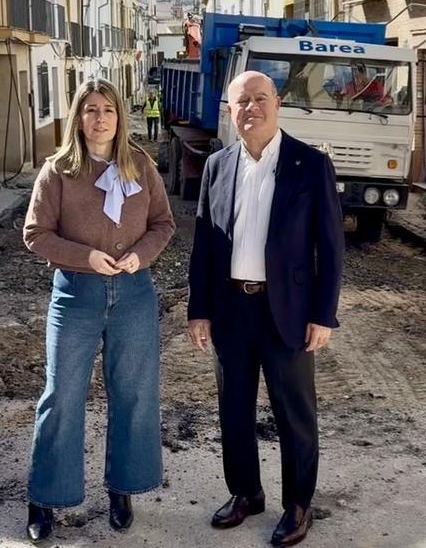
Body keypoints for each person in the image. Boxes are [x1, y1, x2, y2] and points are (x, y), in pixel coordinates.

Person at [186, 70, 344, 547]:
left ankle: (298, 504)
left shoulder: (309, 164)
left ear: (277, 103)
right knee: (233, 410)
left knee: (294, 412)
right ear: (229, 110)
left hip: (289, 312)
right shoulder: (218, 165)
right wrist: (198, 309)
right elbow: (204, 246)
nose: (250, 108)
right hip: (232, 308)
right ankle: (246, 493)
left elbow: (332, 248)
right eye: (241, 102)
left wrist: (324, 314)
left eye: (260, 99)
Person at [22, 78, 176, 542]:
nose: (100, 118)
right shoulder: (57, 172)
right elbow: (35, 233)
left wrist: (140, 255)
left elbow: (163, 224)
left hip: (133, 296)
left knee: (133, 394)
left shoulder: (141, 166)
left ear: (119, 116)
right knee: (61, 396)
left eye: (108, 109)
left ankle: (122, 490)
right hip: (76, 296)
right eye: (90, 109)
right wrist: (83, 257)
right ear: (78, 117)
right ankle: (45, 498)